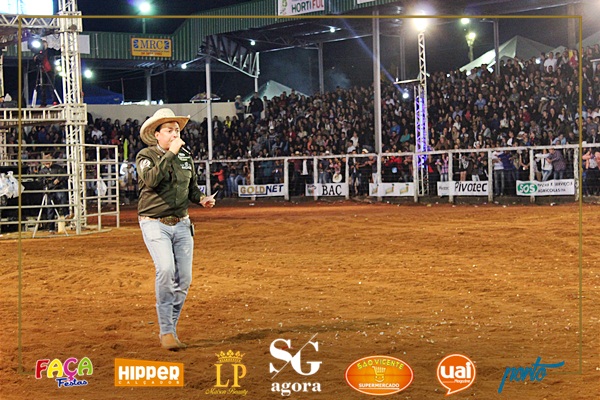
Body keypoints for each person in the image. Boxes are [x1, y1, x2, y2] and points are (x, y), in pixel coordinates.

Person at [136, 108, 216, 351]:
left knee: (184, 279)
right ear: (157, 134)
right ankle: (167, 331)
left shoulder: (185, 157)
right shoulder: (145, 156)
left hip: (182, 223)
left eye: (177, 131)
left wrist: (201, 199)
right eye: (169, 130)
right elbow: (151, 180)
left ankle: (169, 328)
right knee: (166, 270)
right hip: (154, 222)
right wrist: (171, 153)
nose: (174, 134)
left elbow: (191, 188)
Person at [38, 153, 68, 231]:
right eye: (46, 163)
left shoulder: (58, 168)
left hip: (58, 188)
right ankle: (51, 228)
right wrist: (46, 182)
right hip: (48, 190)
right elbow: (40, 181)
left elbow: (65, 176)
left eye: (49, 162)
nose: (47, 164)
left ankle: (64, 213)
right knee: (50, 209)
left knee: (62, 196)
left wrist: (58, 179)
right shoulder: (42, 171)